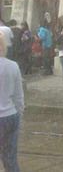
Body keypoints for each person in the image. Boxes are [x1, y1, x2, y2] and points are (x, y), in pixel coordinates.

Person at [0, 33, 24, 172]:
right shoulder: (13, 66)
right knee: (10, 160)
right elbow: (18, 96)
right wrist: (19, 115)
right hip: (10, 116)